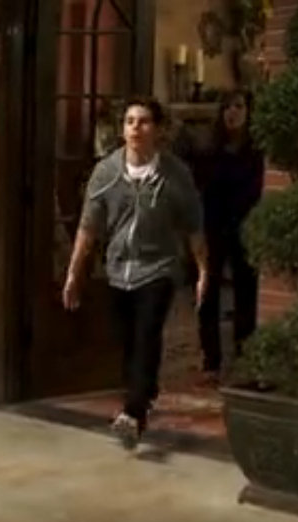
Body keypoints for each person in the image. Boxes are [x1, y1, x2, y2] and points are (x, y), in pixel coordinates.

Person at [62, 95, 209, 447]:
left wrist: (203, 270)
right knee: (127, 341)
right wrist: (74, 274)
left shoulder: (175, 174)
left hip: (159, 268)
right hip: (118, 269)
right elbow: (88, 227)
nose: (135, 128)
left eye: (143, 122)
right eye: (130, 122)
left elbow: (193, 225)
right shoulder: (106, 173)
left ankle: (133, 411)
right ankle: (144, 391)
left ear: (157, 130)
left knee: (147, 333)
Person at [192, 90, 265, 385]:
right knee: (207, 292)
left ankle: (244, 356)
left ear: (248, 112)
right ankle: (211, 359)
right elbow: (200, 191)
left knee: (246, 293)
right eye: (227, 108)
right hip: (213, 228)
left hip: (246, 229)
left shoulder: (257, 153)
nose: (232, 113)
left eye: (238, 107)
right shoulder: (210, 152)